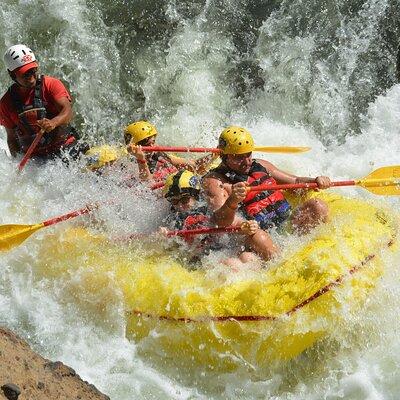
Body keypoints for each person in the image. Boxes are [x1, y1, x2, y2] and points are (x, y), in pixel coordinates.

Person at [202, 126, 331, 259]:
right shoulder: (215, 181)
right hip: (254, 234)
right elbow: (220, 221)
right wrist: (232, 200)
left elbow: (295, 181)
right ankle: (284, 266)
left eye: (248, 154)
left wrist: (315, 180)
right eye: (239, 157)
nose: (247, 162)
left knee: (317, 206)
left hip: (285, 222)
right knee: (260, 237)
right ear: (224, 156)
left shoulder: (261, 165)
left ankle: (325, 249)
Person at [160, 169, 266, 268]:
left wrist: (246, 225)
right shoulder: (174, 218)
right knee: (232, 264)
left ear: (195, 196)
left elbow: (232, 222)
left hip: (221, 249)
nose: (180, 206)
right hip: (200, 259)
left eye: (184, 200)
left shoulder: (207, 208)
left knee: (248, 257)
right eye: (174, 201)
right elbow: (172, 247)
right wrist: (163, 236)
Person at [0, 44, 86, 160]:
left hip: (66, 148)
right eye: (25, 73)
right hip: (37, 161)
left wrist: (53, 122)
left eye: (33, 70)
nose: (31, 77)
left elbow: (68, 112)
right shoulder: (6, 103)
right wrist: (17, 164)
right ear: (12, 74)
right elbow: (11, 139)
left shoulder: (51, 84)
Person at [124, 120, 217, 183]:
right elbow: (146, 183)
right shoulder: (130, 165)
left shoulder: (159, 155)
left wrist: (214, 155)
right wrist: (140, 159)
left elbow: (194, 165)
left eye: (153, 142)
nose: (152, 147)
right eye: (148, 145)